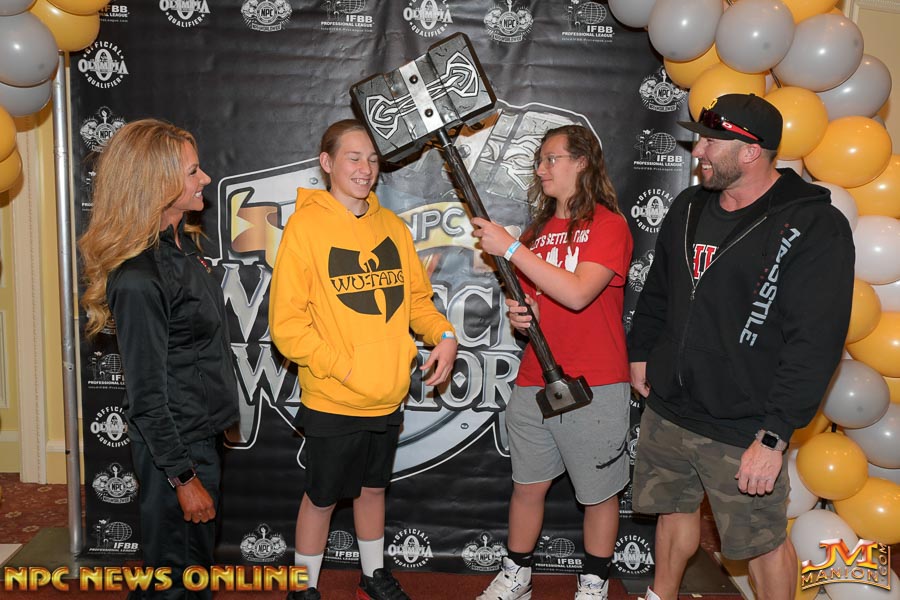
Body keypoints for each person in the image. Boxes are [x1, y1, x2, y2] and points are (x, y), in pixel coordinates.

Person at [627, 94, 855, 600]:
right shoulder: (689, 206)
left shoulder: (814, 226)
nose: (698, 152)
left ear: (751, 152)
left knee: (762, 543)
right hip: (670, 407)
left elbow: (815, 341)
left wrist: (774, 436)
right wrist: (642, 350)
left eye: (711, 142)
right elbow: (659, 288)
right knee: (671, 514)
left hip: (744, 424)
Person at [269, 119, 458, 600]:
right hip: (334, 397)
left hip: (387, 396)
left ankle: (373, 576)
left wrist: (445, 334)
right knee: (321, 498)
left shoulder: (392, 227)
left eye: (372, 159)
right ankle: (303, 589)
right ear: (327, 163)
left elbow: (416, 302)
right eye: (353, 157)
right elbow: (287, 326)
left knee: (374, 490)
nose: (365, 168)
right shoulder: (305, 227)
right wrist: (344, 367)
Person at [471, 124, 634, 600]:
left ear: (581, 162)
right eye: (538, 160)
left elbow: (580, 294)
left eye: (551, 158)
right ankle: (517, 576)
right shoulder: (536, 232)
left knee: (598, 493)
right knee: (527, 486)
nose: (541, 169)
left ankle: (594, 582)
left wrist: (512, 249)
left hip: (595, 379)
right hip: (535, 378)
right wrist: (524, 315)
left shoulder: (608, 225)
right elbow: (539, 305)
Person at [79, 119, 240, 599]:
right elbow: (146, 398)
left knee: (184, 571)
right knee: (177, 577)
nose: (205, 178)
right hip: (177, 450)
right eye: (192, 171)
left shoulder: (179, 249)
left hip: (197, 438)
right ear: (158, 184)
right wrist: (184, 478)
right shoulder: (139, 278)